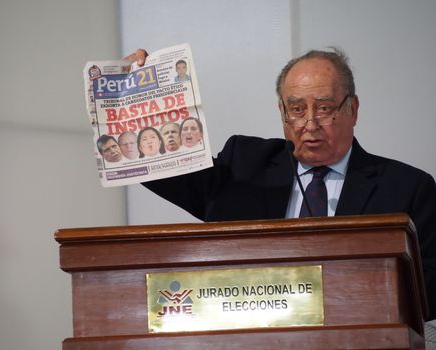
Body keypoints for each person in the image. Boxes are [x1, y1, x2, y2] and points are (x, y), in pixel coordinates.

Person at [124, 48, 436, 320]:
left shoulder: (407, 188)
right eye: (297, 109)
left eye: (325, 108)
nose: (310, 124)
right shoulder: (243, 166)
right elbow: (164, 169)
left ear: (352, 109)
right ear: (282, 112)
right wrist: (126, 102)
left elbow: (429, 292)